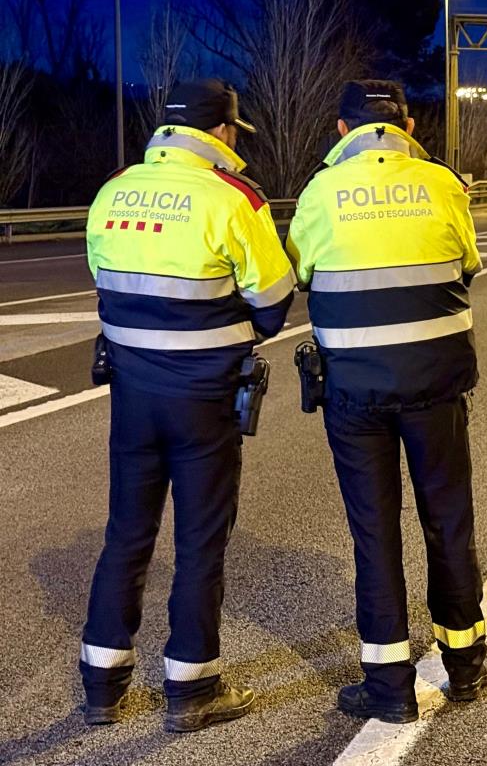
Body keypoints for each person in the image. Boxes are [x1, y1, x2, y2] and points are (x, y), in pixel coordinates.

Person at [80, 79, 294, 733]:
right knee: (201, 540)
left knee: (127, 532)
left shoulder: (113, 191)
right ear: (223, 133)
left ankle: (101, 685)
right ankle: (191, 689)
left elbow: (104, 285)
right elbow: (274, 301)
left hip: (133, 394)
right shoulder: (233, 197)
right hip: (203, 395)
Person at [286, 80, 486, 724]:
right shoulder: (442, 184)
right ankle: (465, 666)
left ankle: (389, 688)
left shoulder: (320, 191)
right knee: (447, 519)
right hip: (436, 384)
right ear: (407, 128)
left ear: (343, 130)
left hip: (355, 388)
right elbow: (468, 264)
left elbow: (304, 274)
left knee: (374, 533)